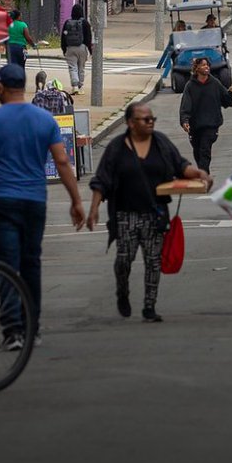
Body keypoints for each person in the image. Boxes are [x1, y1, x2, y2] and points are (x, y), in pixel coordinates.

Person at [88, 101, 209, 322]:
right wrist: (94, 209)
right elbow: (101, 180)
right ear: (131, 123)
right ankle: (122, 291)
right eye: (145, 119)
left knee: (153, 261)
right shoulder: (116, 147)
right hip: (125, 214)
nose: (150, 122)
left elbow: (181, 165)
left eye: (152, 119)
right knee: (124, 260)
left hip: (155, 213)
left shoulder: (161, 143)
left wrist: (200, 174)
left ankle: (149, 306)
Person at [0, 63, 84, 350]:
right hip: (35, 200)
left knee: (8, 264)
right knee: (31, 263)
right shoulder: (44, 120)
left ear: (0, 88)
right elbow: (62, 162)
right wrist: (76, 200)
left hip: (3, 201)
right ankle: (32, 326)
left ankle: (13, 331)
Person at [178, 57, 232, 173]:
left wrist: (231, 93)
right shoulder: (190, 86)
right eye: (203, 65)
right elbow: (185, 106)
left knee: (205, 150)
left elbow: (227, 102)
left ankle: (204, 176)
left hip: (211, 124)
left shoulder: (215, 83)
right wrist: (185, 121)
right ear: (196, 68)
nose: (207, 67)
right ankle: (203, 172)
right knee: (197, 151)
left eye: (207, 65)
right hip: (195, 126)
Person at [60, 3, 93, 95]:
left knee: (72, 67)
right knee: (81, 68)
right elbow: (88, 38)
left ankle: (74, 86)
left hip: (70, 48)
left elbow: (63, 36)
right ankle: (80, 86)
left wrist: (64, 49)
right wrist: (90, 50)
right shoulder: (85, 23)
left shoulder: (67, 23)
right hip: (82, 47)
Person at [3, 8, 35, 75]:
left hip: (10, 49)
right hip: (21, 48)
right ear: (18, 16)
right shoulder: (23, 25)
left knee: (11, 66)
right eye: (21, 15)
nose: (21, 17)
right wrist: (33, 45)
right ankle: (19, 81)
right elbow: (28, 38)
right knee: (21, 66)